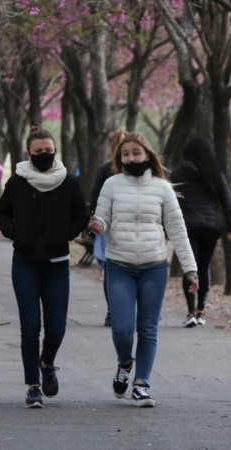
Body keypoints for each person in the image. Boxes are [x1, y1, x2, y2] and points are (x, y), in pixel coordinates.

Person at [88, 131, 199, 408]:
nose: (131, 157)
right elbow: (102, 216)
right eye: (125, 154)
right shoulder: (112, 185)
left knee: (148, 328)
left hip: (153, 267)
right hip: (119, 266)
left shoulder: (162, 188)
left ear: (147, 155)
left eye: (136, 152)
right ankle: (125, 362)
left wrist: (190, 269)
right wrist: (98, 225)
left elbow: (178, 230)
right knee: (123, 328)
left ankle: (142, 383)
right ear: (119, 157)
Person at [0, 126, 88, 408]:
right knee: (30, 326)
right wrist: (16, 232)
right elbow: (1, 212)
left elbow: (80, 215)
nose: (44, 155)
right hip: (25, 263)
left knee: (57, 328)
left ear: (55, 151)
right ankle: (33, 386)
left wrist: (63, 235)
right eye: (39, 152)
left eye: (49, 151)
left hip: (57, 264)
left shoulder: (68, 182)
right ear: (28, 154)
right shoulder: (19, 181)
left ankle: (47, 362)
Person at [171, 137, 231, 328]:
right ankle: (201, 311)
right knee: (203, 266)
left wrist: (166, 227)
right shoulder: (214, 173)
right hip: (211, 228)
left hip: (187, 227)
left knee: (189, 267)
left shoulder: (178, 174)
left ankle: (191, 311)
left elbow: (168, 201)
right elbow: (227, 201)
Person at [89, 130, 127, 327]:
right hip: (107, 227)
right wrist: (93, 222)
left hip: (129, 227)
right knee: (110, 271)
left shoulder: (136, 171)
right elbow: (95, 197)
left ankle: (126, 310)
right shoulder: (104, 170)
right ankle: (112, 310)